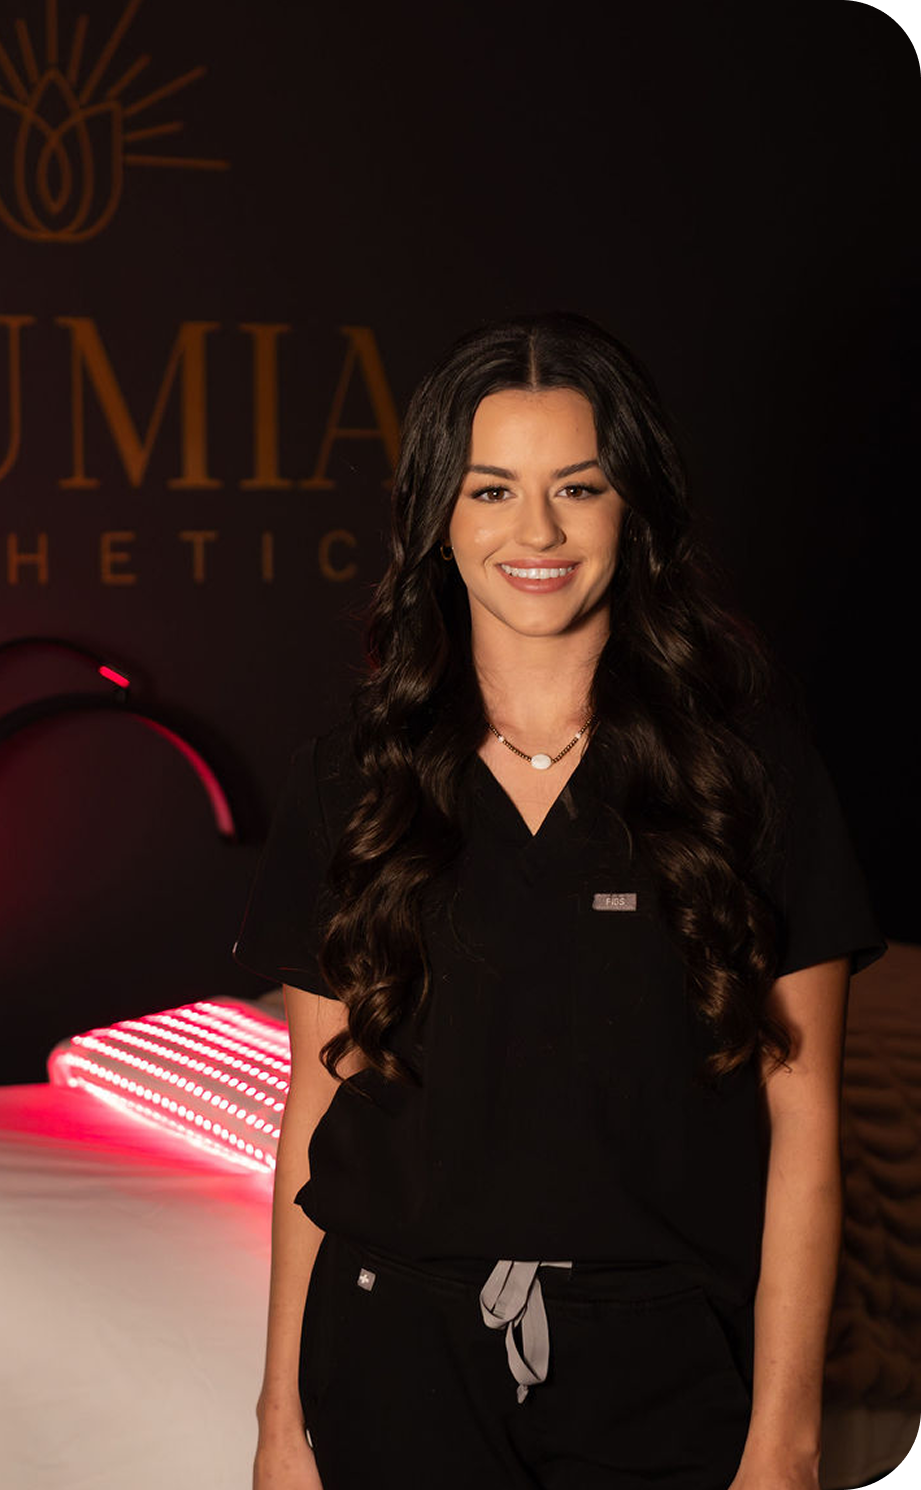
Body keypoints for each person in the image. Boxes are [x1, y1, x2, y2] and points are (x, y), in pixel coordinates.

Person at [233, 312, 885, 1490]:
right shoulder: (349, 781)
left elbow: (802, 1124)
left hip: (665, 1370)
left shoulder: (748, 776)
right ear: (437, 517)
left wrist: (784, 1443)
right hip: (391, 1358)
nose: (535, 531)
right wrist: (280, 1418)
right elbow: (316, 1112)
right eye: (491, 490)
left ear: (634, 507)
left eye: (577, 487)